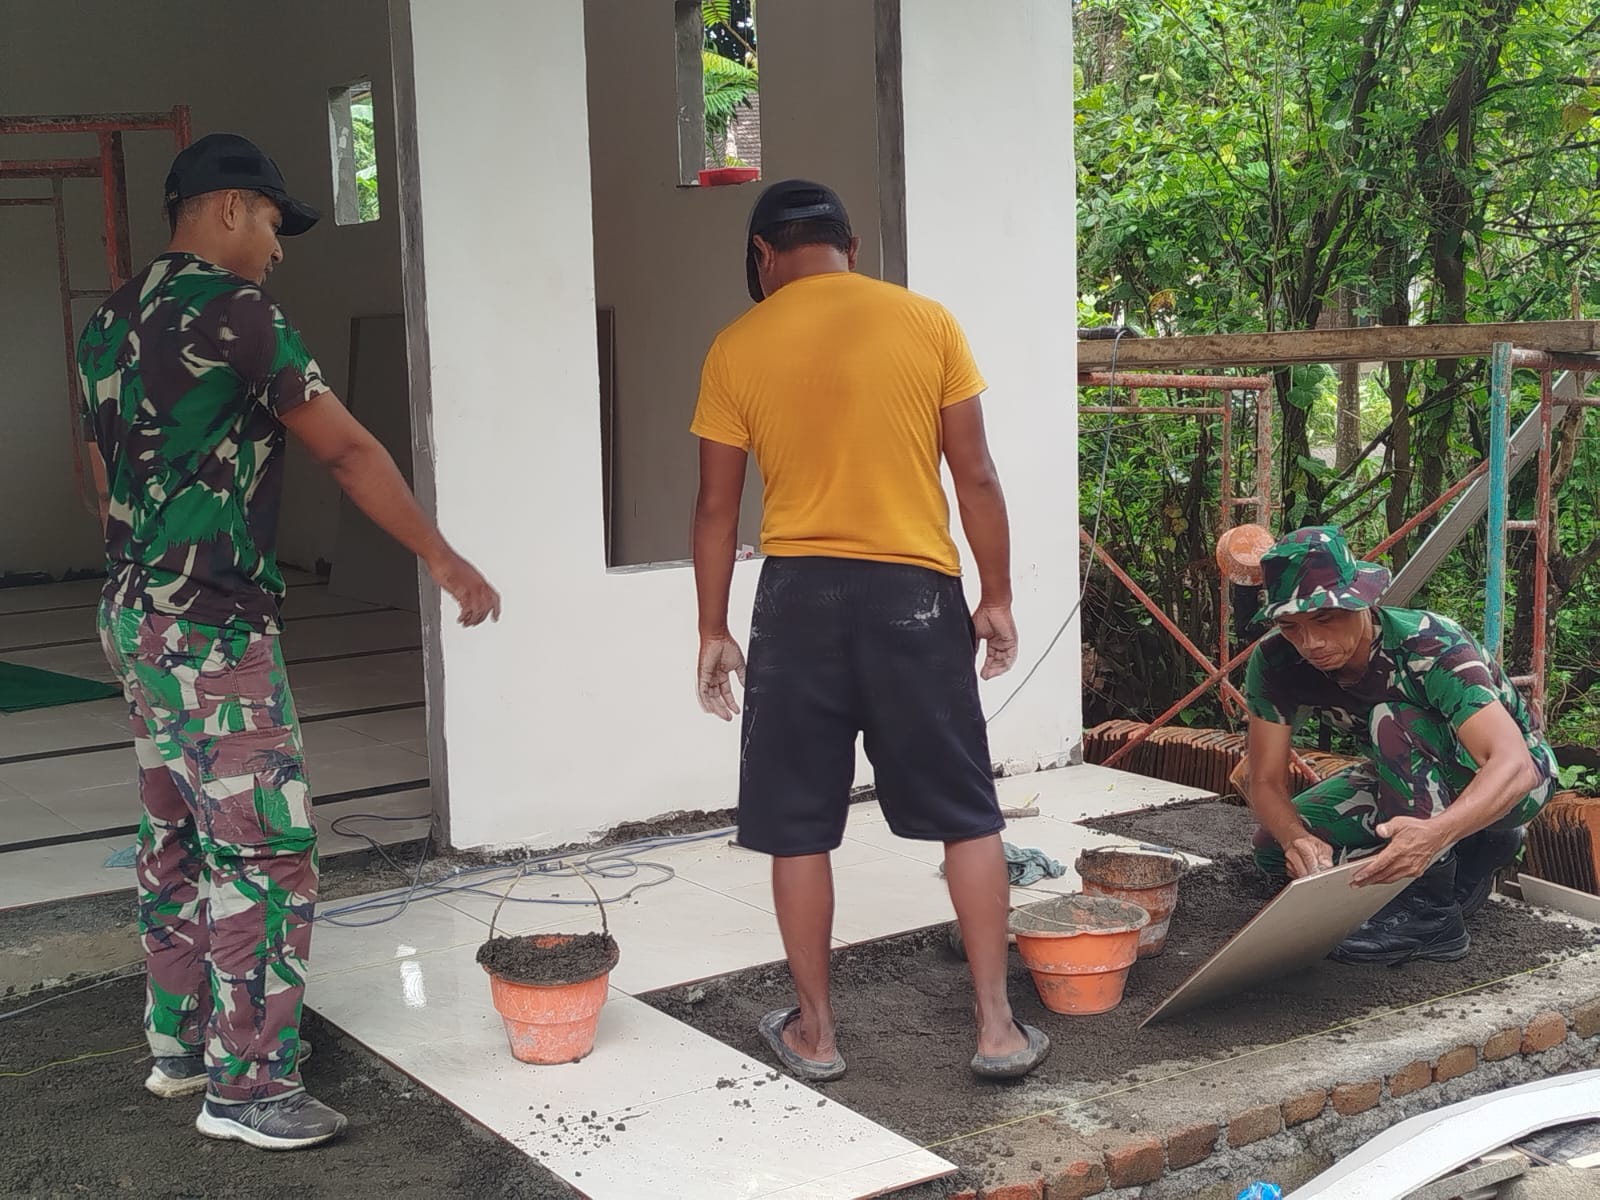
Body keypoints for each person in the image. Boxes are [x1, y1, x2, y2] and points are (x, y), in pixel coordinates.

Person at [76, 133, 501, 1150]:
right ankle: (252, 1087)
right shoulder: (239, 313)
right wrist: (444, 559)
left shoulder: (107, 320)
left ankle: (181, 1043)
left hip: (134, 612)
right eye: (272, 222)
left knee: (177, 831)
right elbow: (345, 452)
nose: (276, 247)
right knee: (264, 851)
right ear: (228, 207)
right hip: (213, 631)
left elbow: (102, 483)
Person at [690, 179, 1049, 1082]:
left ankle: (816, 1034)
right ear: (849, 246)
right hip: (915, 596)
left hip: (798, 601)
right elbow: (976, 474)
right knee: (968, 814)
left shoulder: (736, 345)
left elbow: (715, 509)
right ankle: (997, 1028)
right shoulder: (928, 323)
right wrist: (997, 596)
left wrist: (712, 627)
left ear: (763, 255)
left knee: (797, 825)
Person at [1241, 526, 1554, 965]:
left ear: (1360, 601)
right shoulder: (1277, 661)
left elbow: (1513, 764)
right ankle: (1476, 848)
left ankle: (1431, 913)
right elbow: (1263, 779)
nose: (1310, 643)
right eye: (1291, 626)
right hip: (1409, 774)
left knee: (1392, 718)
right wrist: (1296, 840)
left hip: (1516, 780)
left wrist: (1435, 835)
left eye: (1325, 619)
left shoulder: (1429, 644)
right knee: (1272, 848)